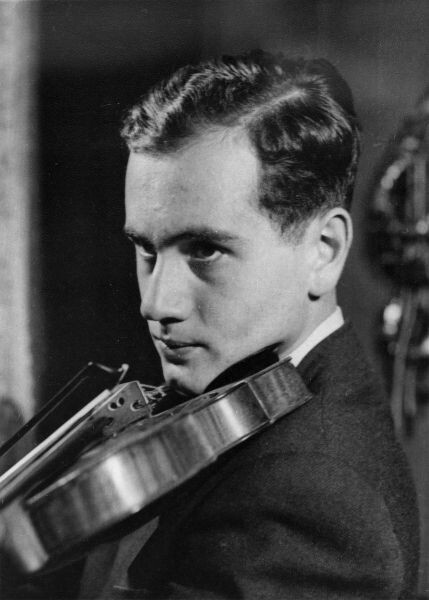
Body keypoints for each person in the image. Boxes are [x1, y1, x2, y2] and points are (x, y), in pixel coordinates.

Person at [1, 50, 420, 599]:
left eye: (205, 250)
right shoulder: (226, 408)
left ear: (324, 249)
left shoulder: (312, 496)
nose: (157, 304)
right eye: (146, 249)